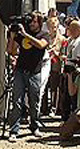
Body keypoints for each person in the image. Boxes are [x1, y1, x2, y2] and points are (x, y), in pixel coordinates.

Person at [7, 10, 49, 142]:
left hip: (34, 72)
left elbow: (41, 45)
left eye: (34, 21)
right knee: (17, 101)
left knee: (34, 102)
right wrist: (13, 37)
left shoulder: (44, 34)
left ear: (40, 23)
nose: (31, 23)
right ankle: (14, 130)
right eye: (30, 21)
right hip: (20, 71)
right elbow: (11, 51)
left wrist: (25, 35)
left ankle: (34, 126)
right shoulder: (22, 33)